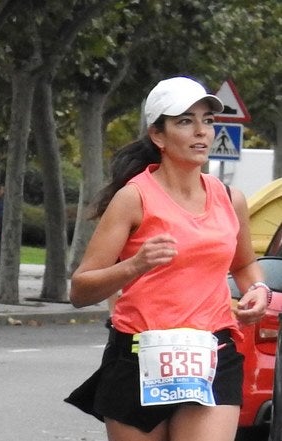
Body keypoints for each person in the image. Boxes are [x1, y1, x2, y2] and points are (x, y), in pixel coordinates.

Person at [65, 76, 268, 440]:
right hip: (140, 356)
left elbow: (243, 265)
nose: (201, 131)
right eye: (185, 121)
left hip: (211, 352)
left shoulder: (229, 198)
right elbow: (80, 290)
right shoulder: (134, 198)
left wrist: (258, 290)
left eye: (207, 120)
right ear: (158, 135)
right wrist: (135, 265)